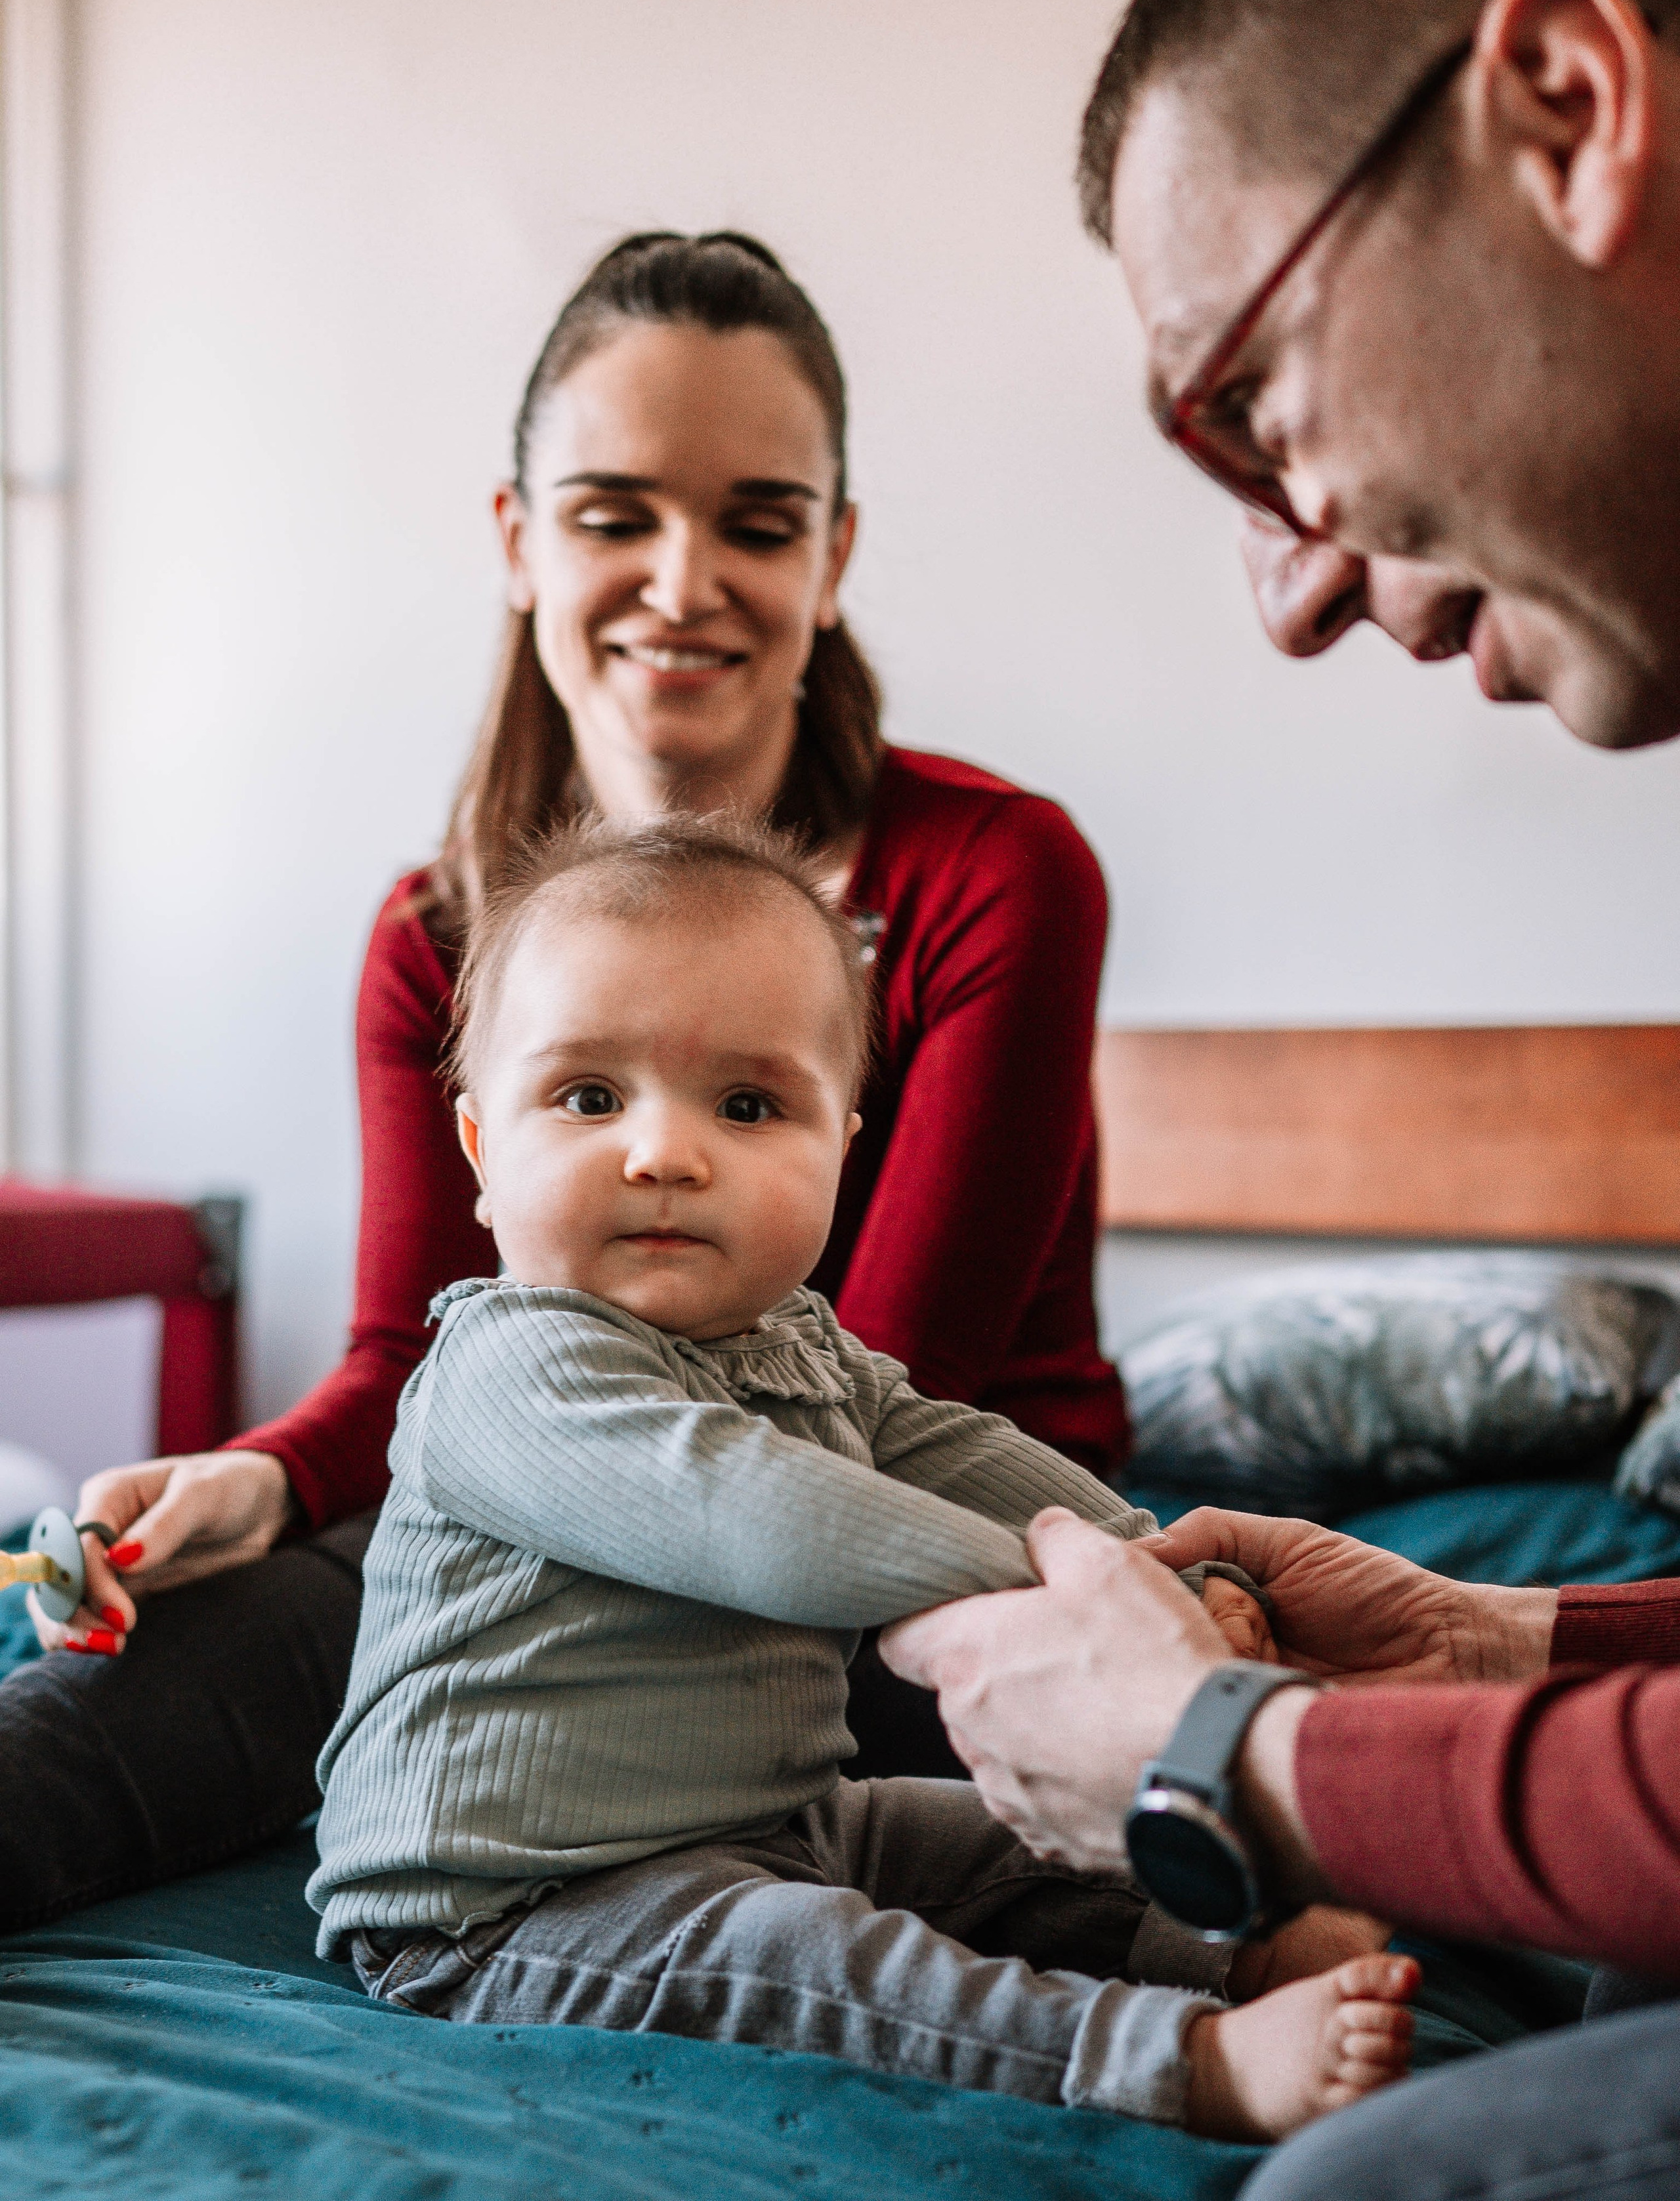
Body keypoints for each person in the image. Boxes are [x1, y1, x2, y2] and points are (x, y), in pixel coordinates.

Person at [885, 0, 1680, 2197]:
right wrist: (1494, 1643)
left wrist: (1231, 1757)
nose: (1293, 592)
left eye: (1247, 410)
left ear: (1567, 112)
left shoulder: (998, 865)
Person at [1, 231, 1125, 1927]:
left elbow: (873, 1395)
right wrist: (272, 1478)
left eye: (759, 524)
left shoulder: (994, 875)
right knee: (229, 1639)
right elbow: (423, 1353)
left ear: (833, 558)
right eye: (614, 516)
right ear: (520, 542)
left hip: (913, 1553)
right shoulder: (436, 934)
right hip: (578, 1518)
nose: (683, 581)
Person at [309, 810, 1417, 2146]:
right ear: (484, 1156)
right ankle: (1179, 2061)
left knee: (1020, 1837)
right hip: (508, 1904)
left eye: (746, 1106)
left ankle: (1240, 1936)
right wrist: (1091, 1612)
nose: (664, 1154)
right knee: (813, 1957)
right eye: (589, 1098)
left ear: (840, 1145)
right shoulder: (510, 1367)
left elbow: (977, 1461)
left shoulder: (804, 1353)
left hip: (786, 1820)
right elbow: (751, 1513)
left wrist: (1165, 1567)